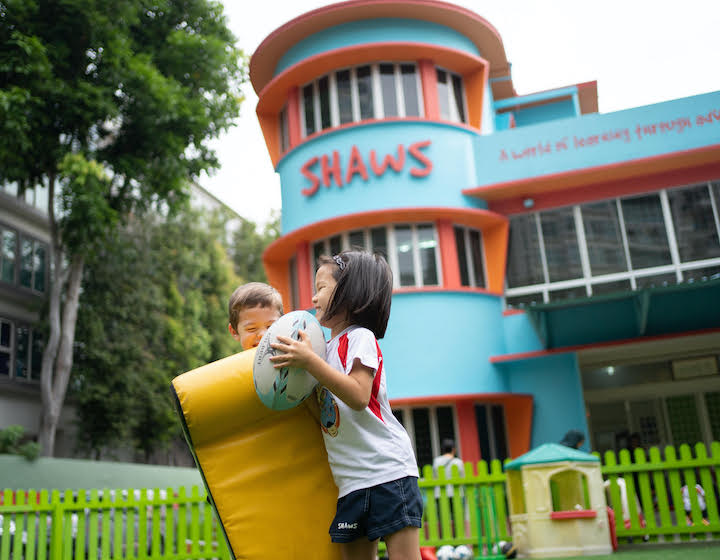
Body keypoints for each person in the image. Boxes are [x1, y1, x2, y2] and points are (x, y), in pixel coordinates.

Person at [270, 250, 422, 560]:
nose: (313, 298)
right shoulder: (323, 352)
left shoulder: (359, 338)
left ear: (350, 292)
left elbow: (357, 395)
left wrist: (310, 362)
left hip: (388, 471)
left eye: (321, 287)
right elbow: (324, 417)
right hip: (351, 481)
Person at [227, 281, 283, 350]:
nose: (263, 335)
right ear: (234, 332)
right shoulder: (235, 361)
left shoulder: (294, 357)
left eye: (270, 327)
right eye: (252, 329)